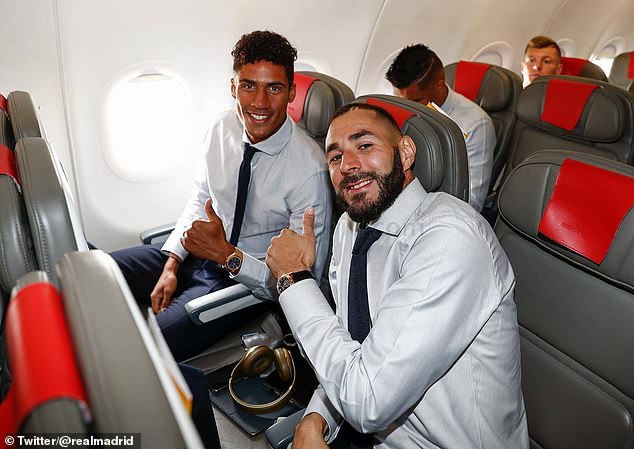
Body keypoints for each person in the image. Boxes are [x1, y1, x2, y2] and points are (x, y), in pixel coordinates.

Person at [265, 103, 528, 448]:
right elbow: (351, 346)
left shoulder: (449, 237)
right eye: (334, 157)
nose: (348, 166)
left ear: (405, 153)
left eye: (365, 145)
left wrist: (294, 280)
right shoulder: (350, 228)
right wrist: (318, 417)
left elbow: (368, 401)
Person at [111, 30, 332, 362]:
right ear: (233, 88)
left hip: (240, 281)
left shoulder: (309, 172)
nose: (259, 103)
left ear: (291, 93)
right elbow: (202, 196)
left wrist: (227, 255)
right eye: (248, 86)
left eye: (274, 88)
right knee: (97, 271)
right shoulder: (220, 129)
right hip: (194, 252)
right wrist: (172, 262)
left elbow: (301, 283)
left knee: (139, 349)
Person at [385, 44, 495, 213]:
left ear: (439, 85)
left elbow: (471, 202)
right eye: (399, 99)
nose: (406, 107)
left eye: (414, 101)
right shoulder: (402, 109)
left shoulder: (475, 123)